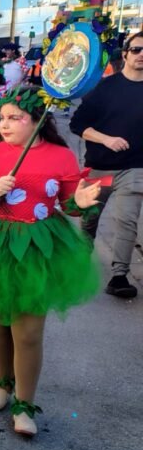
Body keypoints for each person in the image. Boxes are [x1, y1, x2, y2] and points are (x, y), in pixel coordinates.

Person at [0, 87, 102, 437]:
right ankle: (3, 384)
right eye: (2, 118)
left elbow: (67, 204)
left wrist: (80, 203)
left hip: (39, 246)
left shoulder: (61, 156)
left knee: (29, 331)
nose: (4, 125)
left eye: (15, 118)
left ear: (37, 120)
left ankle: (24, 404)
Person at [69, 30, 143, 299]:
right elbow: (77, 124)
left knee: (127, 220)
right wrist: (107, 139)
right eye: (136, 50)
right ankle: (79, 264)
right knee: (90, 220)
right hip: (100, 165)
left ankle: (119, 276)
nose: (141, 55)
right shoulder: (105, 88)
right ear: (125, 54)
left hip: (135, 167)